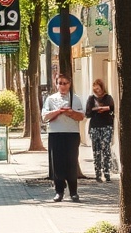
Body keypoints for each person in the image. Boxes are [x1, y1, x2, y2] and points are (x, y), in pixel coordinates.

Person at [41, 74, 85, 202]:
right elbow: (44, 116)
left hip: (72, 133)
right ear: (56, 84)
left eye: (65, 83)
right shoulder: (51, 99)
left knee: (71, 162)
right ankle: (59, 191)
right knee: (57, 163)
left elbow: (81, 116)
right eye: (60, 83)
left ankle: (73, 192)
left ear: (69, 84)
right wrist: (58, 111)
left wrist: (71, 112)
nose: (62, 86)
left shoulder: (75, 99)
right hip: (55, 133)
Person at [85, 79, 116, 182]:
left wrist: (105, 109)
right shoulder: (91, 99)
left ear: (102, 88)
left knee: (106, 148)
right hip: (95, 127)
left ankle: (107, 172)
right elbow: (87, 113)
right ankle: (97, 173)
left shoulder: (108, 98)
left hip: (106, 125)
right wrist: (95, 110)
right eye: (95, 88)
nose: (96, 90)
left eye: (98, 88)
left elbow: (112, 108)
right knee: (96, 150)